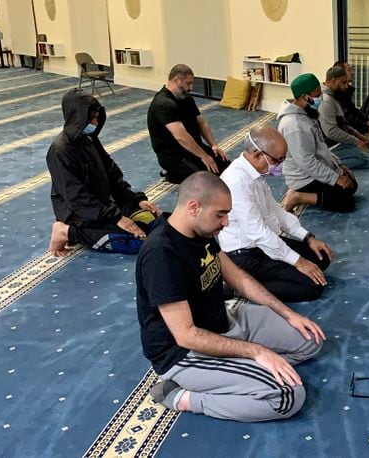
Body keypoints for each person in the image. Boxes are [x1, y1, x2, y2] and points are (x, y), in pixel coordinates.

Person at [137, 171, 325, 422]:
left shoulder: (199, 231)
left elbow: (238, 277)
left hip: (222, 321)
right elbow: (186, 335)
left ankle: (244, 370)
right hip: (185, 353)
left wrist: (289, 315)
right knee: (288, 395)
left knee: (311, 340)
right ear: (194, 207)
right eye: (221, 214)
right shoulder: (161, 254)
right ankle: (183, 397)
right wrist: (256, 352)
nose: (225, 222)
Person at [218, 125, 334, 302]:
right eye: (278, 160)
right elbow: (258, 234)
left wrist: (308, 237)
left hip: (264, 242)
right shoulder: (236, 182)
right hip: (245, 254)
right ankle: (237, 286)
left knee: (321, 258)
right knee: (312, 286)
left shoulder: (255, 173)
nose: (280, 165)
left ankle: (264, 276)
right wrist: (299, 262)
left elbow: (276, 210)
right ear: (258, 155)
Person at [47, 88, 162, 257]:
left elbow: (112, 174)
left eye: (96, 117)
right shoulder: (59, 152)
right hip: (81, 216)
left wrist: (133, 200)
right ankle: (65, 231)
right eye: (91, 118)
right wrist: (117, 218)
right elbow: (78, 200)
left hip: (105, 207)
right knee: (138, 245)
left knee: (156, 222)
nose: (94, 122)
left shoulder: (89, 140)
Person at [277, 73, 359, 213]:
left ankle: (311, 194)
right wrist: (335, 178)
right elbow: (307, 162)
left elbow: (322, 146)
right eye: (317, 95)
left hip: (314, 169)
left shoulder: (307, 113)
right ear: (305, 97)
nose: (320, 98)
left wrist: (338, 165)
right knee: (346, 201)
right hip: (303, 177)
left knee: (352, 185)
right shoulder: (293, 125)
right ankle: (297, 196)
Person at [147, 64, 230, 184]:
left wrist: (214, 145)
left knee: (226, 166)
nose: (191, 87)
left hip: (193, 148)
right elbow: (181, 137)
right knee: (208, 179)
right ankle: (172, 173)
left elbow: (202, 123)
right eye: (188, 83)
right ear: (176, 80)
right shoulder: (163, 104)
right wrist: (204, 156)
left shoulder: (186, 99)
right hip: (174, 156)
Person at [318, 65, 369, 169]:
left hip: (340, 141)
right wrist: (356, 141)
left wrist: (358, 135)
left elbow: (343, 123)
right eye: (343, 82)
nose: (346, 86)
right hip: (332, 146)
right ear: (334, 81)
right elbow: (331, 132)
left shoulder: (335, 95)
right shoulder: (326, 101)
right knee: (368, 159)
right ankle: (324, 163)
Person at [332, 60, 369, 143]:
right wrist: (365, 127)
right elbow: (346, 117)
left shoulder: (346, 89)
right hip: (343, 127)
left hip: (351, 124)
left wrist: (367, 122)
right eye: (349, 70)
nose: (352, 72)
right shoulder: (336, 91)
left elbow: (353, 110)